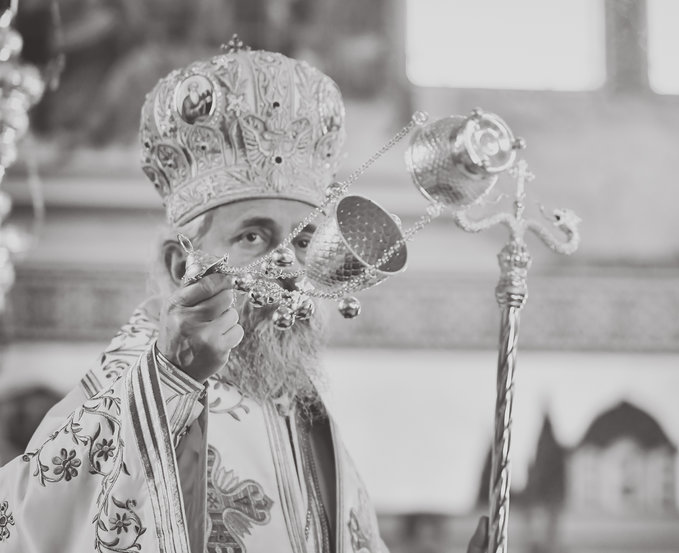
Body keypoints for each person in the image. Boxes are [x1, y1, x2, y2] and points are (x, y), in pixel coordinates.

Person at [0, 43, 490, 553]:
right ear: (180, 264)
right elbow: (19, 524)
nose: (290, 270)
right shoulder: (126, 393)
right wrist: (171, 377)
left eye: (304, 242)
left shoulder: (302, 411)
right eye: (254, 236)